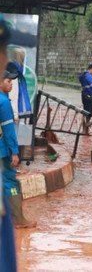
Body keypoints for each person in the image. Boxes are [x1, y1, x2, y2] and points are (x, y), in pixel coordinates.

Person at [0, 68, 36, 230]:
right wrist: (15, 152)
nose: (11, 85)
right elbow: (8, 131)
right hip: (3, 150)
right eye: (8, 81)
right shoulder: (4, 102)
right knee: (11, 182)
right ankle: (18, 219)